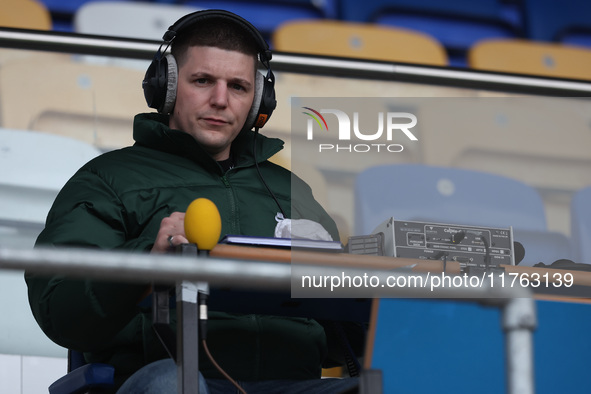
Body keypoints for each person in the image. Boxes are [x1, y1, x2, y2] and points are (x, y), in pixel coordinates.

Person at [25, 9, 360, 394]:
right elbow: (59, 307)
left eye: (238, 86)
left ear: (258, 101)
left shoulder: (292, 190)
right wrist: (146, 260)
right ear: (165, 86)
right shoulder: (107, 178)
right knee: (174, 384)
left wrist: (352, 280)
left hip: (293, 385)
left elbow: (345, 341)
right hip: (171, 381)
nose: (220, 100)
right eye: (203, 80)